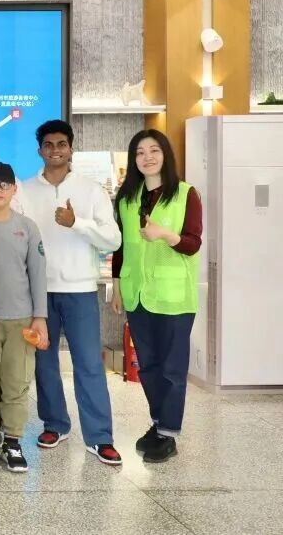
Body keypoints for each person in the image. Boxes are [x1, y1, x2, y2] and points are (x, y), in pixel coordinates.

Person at [20, 120, 123, 466]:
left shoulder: (91, 190)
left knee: (89, 363)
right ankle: (55, 424)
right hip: (38, 292)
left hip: (80, 290)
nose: (55, 150)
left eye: (61, 144)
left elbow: (113, 240)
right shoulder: (24, 190)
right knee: (44, 363)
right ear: (40, 150)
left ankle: (100, 436)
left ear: (71, 148)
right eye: (48, 145)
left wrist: (76, 223)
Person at [111, 129, 202, 464]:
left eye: (154, 150)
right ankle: (159, 423)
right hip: (137, 294)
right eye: (139, 152)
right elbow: (121, 246)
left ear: (166, 154)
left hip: (173, 296)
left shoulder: (186, 194)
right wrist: (117, 286)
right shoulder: (127, 198)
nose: (147, 157)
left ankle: (169, 433)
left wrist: (165, 234)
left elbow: (193, 243)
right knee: (148, 366)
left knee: (171, 368)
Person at [0, 162, 48, 475]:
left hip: (21, 319)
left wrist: (40, 316)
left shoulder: (27, 227)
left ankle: (14, 440)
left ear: (14, 189)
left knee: (17, 382)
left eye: (5, 184)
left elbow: (39, 273)